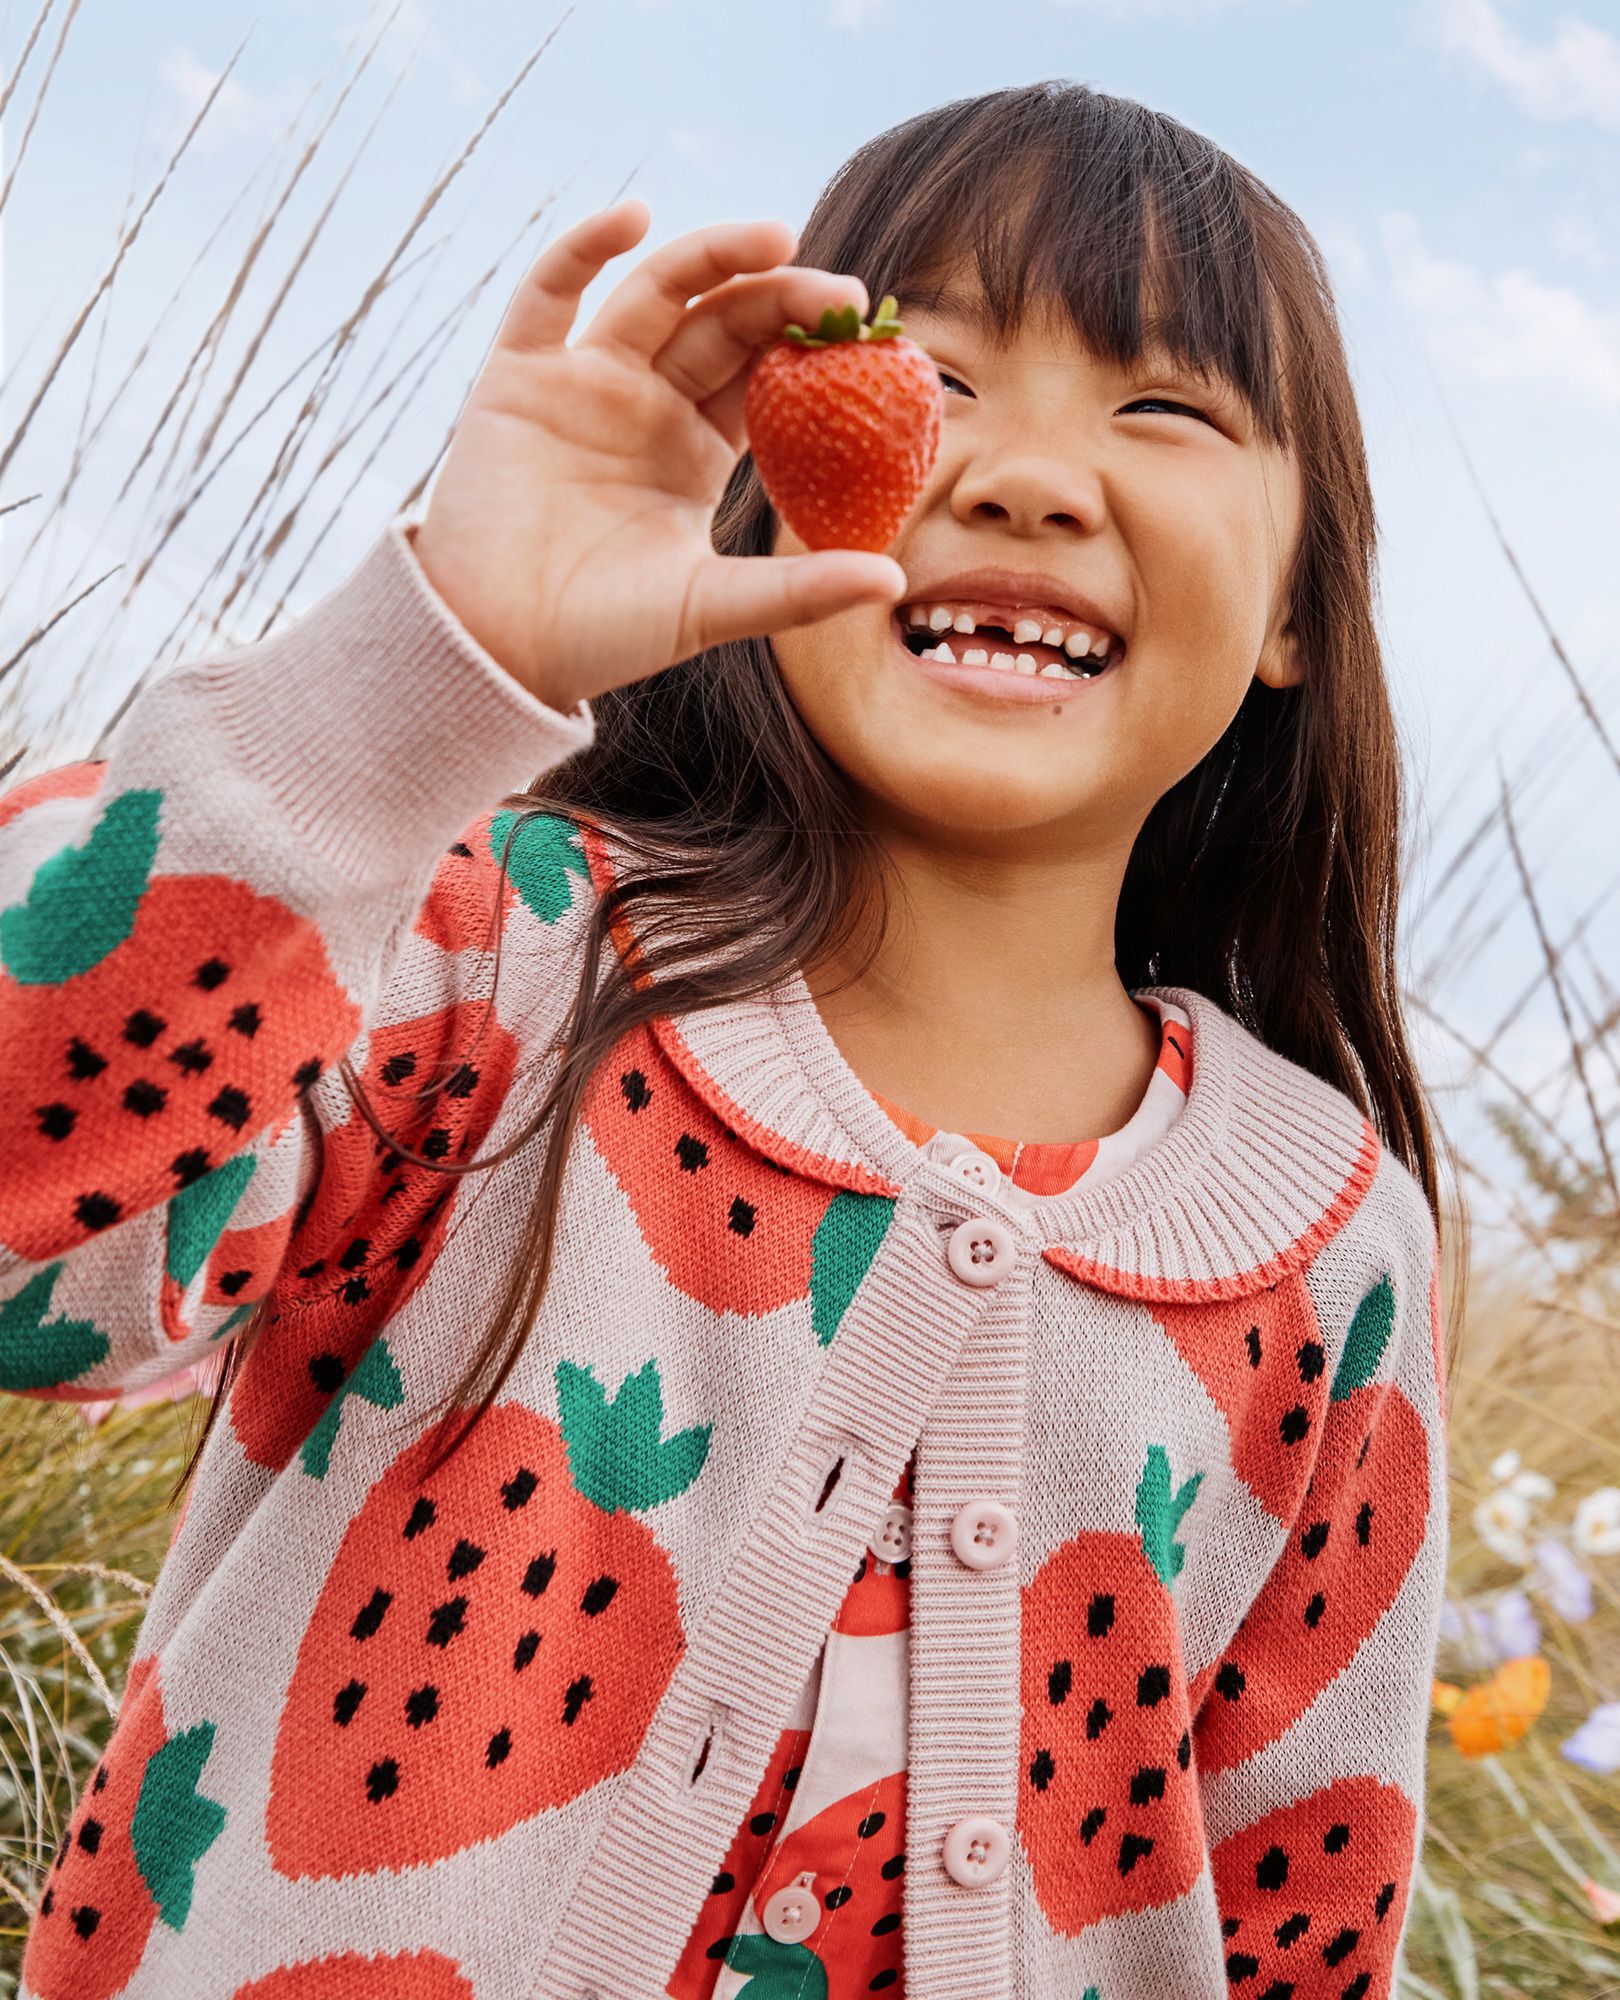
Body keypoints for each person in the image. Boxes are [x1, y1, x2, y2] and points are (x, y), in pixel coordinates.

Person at [3, 79, 1454, 2000]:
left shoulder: (1339, 1243)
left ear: (1298, 607)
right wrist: (438, 656)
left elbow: (1296, 1915)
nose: (1023, 475)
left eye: (1164, 406)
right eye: (919, 377)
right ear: (764, 489)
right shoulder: (487, 957)